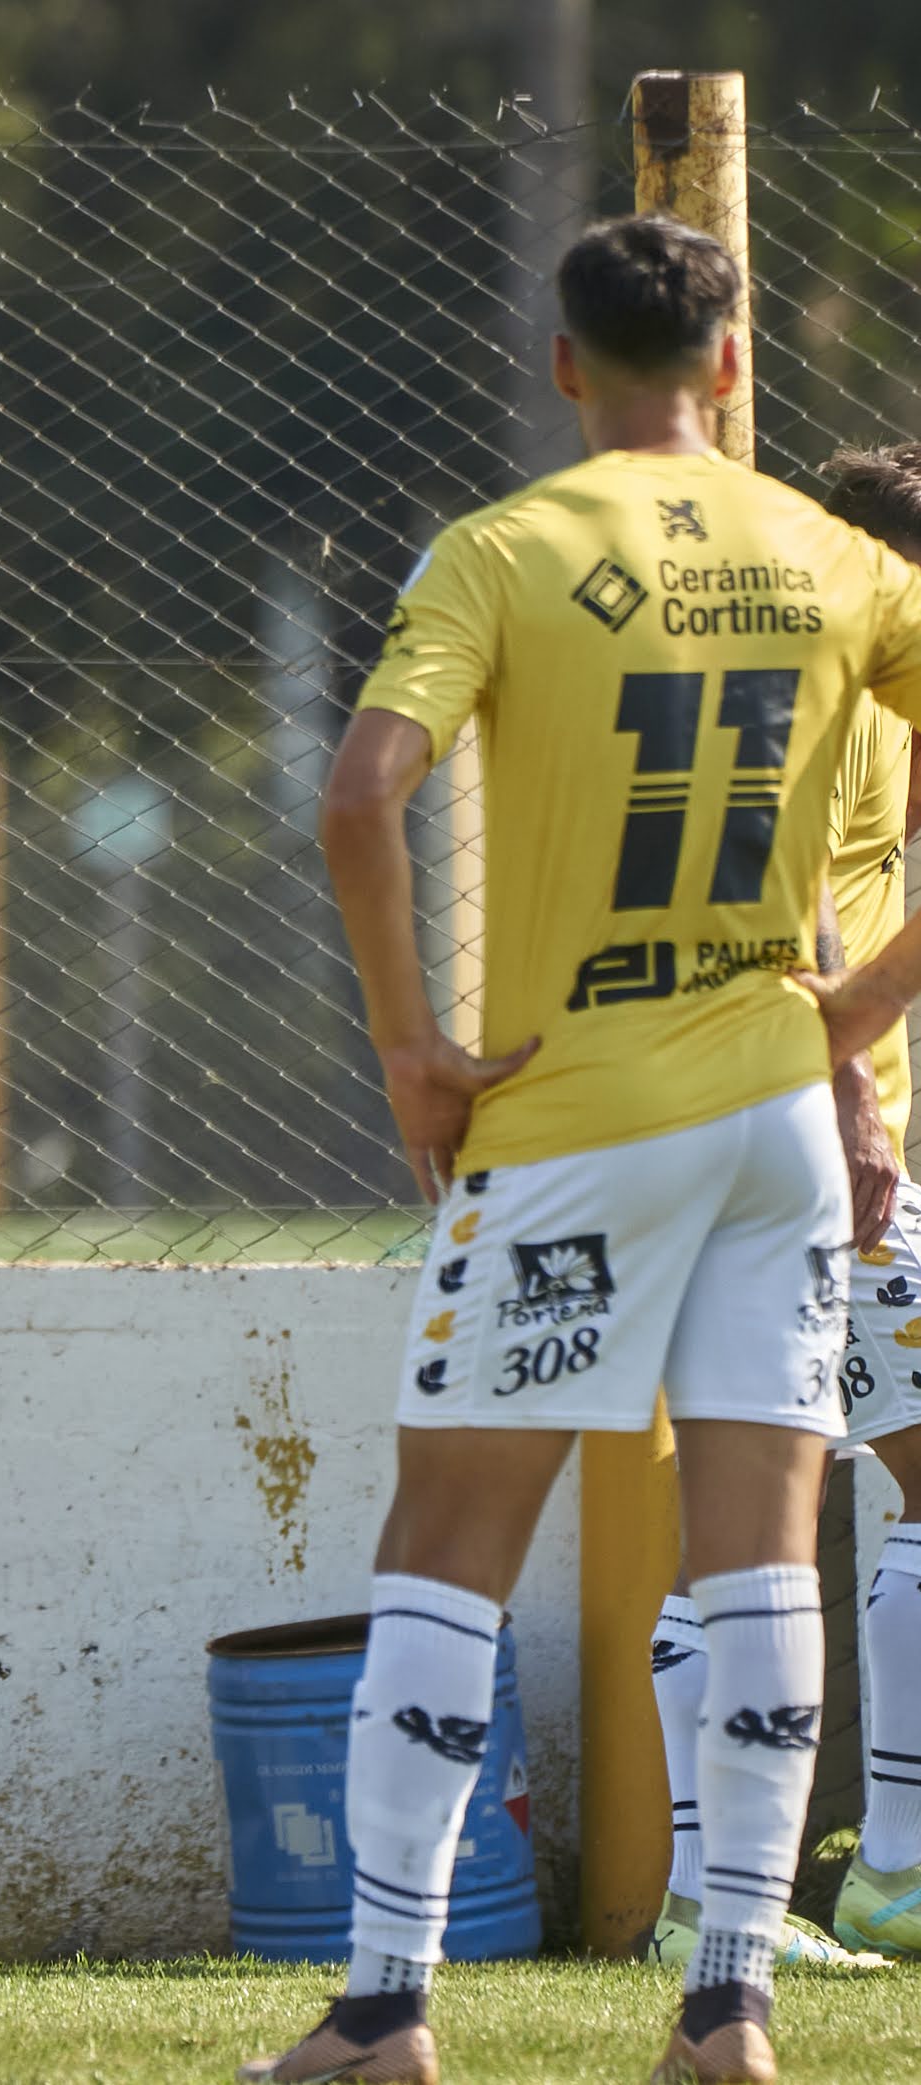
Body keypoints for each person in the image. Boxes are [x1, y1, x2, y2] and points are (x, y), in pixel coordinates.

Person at [246, 216, 921, 2085]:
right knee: (760, 1552)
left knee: (448, 1537)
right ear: (730, 364)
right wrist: (852, 1022)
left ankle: (380, 2014)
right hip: (780, 1124)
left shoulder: (502, 550)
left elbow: (360, 792)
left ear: (563, 365)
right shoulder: (834, 554)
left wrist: (411, 1050)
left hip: (569, 1115)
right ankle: (728, 2012)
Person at [647, 443, 921, 1974]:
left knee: (750, 1513)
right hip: (801, 1139)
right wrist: (853, 1098)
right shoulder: (830, 687)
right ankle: (866, 1869)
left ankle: (756, 1884)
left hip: (741, 1128)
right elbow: (787, 902)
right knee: (759, 1518)